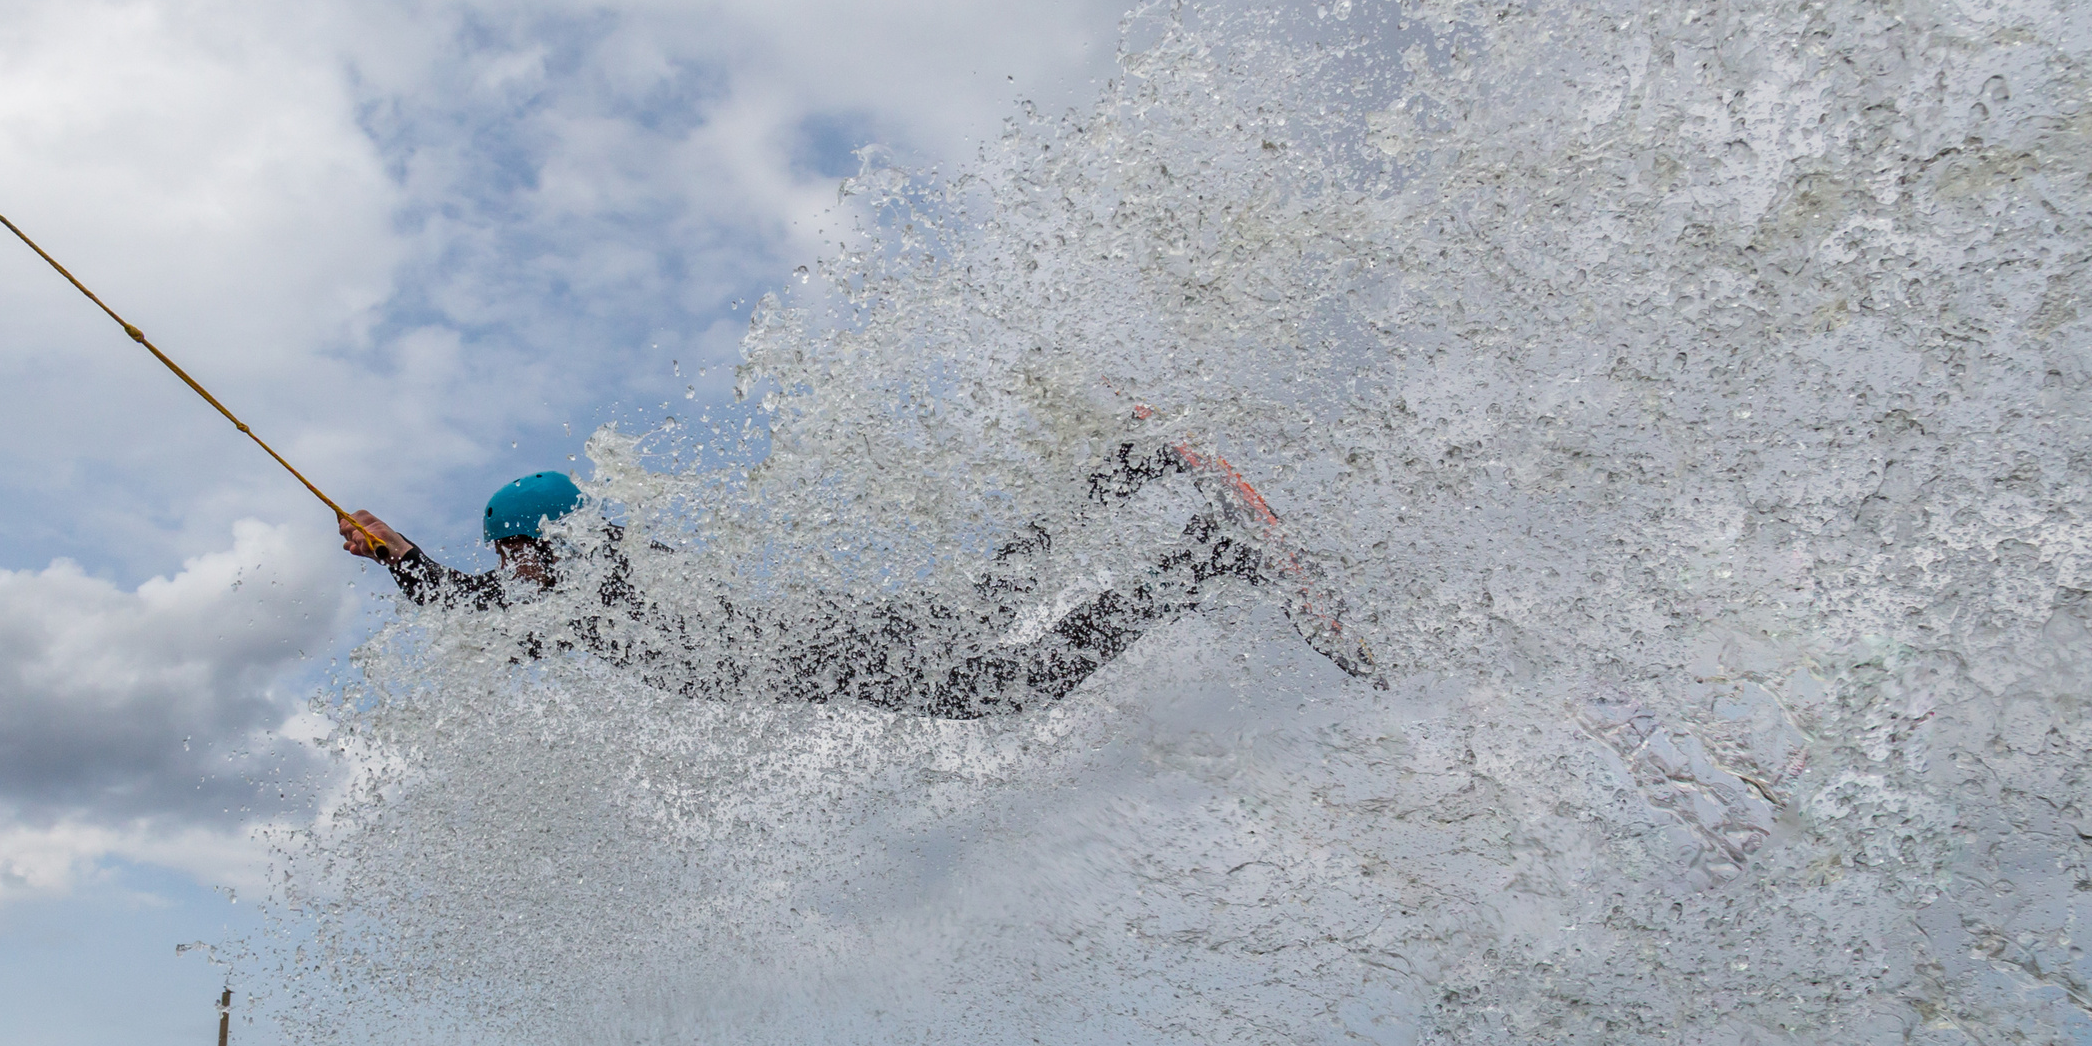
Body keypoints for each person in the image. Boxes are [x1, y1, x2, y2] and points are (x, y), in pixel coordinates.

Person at [339, 451, 1371, 719]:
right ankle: (1130, 476)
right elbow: (485, 610)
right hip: (837, 649)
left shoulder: (590, 579)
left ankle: (1206, 551)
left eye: (515, 551)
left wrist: (401, 558)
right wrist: (399, 557)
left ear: (543, 540)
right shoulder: (589, 572)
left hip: (835, 652)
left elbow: (477, 612)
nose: (511, 571)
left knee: (1012, 680)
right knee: (989, 615)